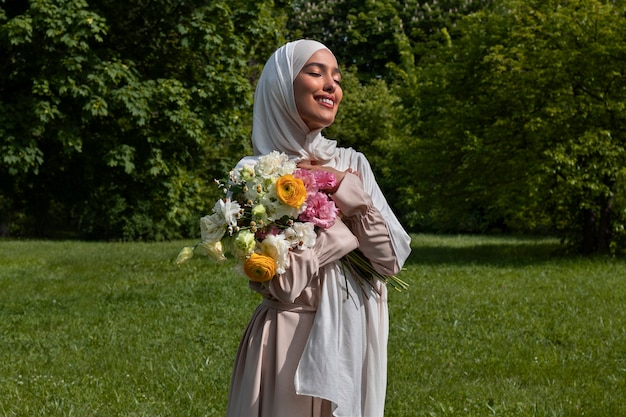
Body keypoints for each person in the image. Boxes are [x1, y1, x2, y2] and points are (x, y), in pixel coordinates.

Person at [225, 39, 412, 417]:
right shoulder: (254, 175)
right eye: (315, 73)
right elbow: (281, 286)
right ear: (281, 87)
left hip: (352, 333)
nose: (331, 85)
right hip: (288, 342)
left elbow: (389, 261)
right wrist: (337, 238)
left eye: (336, 78)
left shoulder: (351, 163)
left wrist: (343, 190)